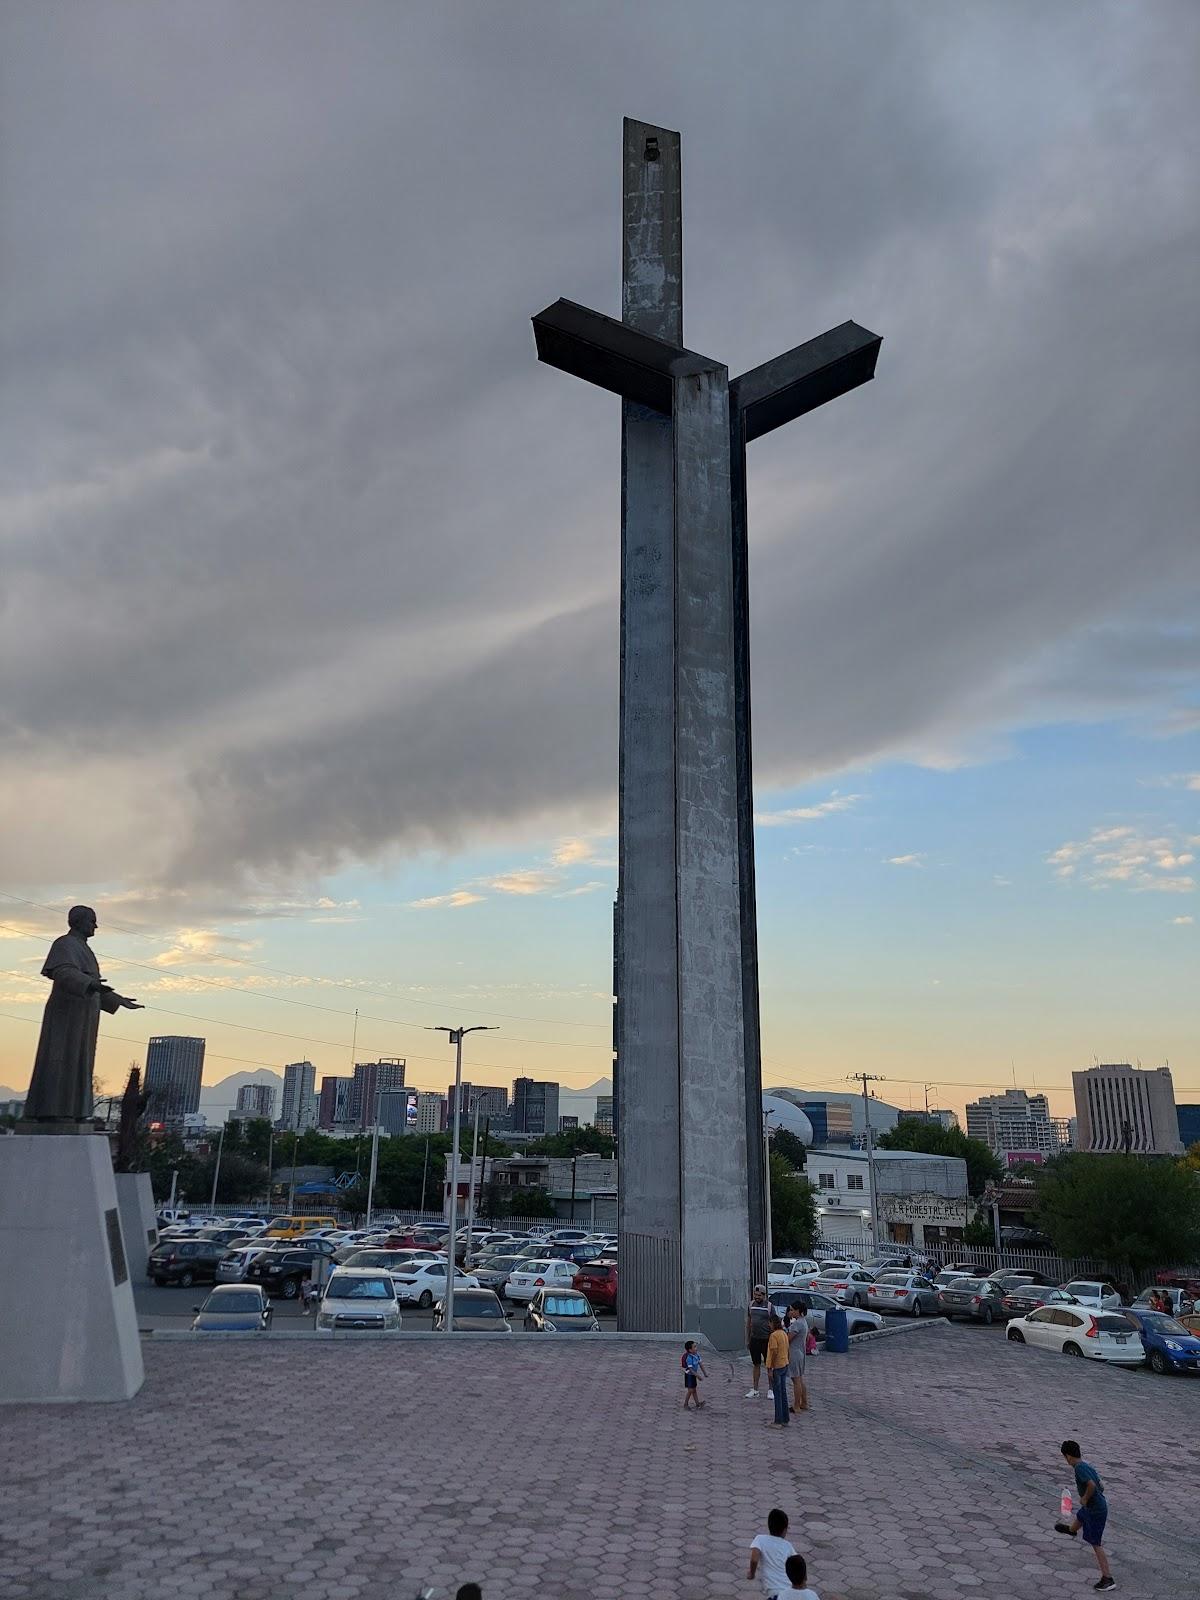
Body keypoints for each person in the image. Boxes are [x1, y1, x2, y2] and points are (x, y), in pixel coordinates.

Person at [1055, 1439, 1114, 1591]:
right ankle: (1072, 1530)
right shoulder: (1087, 1465)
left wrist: (1085, 1498)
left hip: (1096, 1510)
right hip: (1096, 1506)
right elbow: (1100, 1485)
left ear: (1068, 1456)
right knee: (1081, 1515)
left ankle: (1107, 1578)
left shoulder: (1079, 1469)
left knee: (1096, 1542)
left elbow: (1092, 1485)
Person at [748, 1508, 795, 1598]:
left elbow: (754, 1559)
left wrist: (752, 1573)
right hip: (790, 1591)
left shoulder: (760, 1539)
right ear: (784, 1530)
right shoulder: (788, 1546)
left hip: (775, 1592)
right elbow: (798, 1564)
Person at [745, 1285, 772, 1398]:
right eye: (755, 1295)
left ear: (764, 1295)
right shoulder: (751, 1305)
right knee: (756, 1364)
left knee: (769, 1365)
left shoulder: (769, 1306)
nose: (757, 1297)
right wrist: (747, 1339)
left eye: (759, 1295)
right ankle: (755, 1389)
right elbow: (749, 1322)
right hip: (754, 1339)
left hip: (766, 1340)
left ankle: (771, 1390)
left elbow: (773, 1323)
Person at [765, 1313, 790, 1426]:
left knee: (778, 1394)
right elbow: (788, 1349)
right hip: (784, 1364)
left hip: (777, 1366)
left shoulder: (774, 1336)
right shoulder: (784, 1333)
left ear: (773, 1323)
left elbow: (774, 1352)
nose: (768, 1325)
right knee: (783, 1392)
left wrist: (770, 1368)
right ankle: (785, 1419)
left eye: (769, 1323)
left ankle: (778, 1420)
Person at [784, 1303, 809, 1414]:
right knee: (799, 1379)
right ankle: (804, 1402)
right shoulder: (803, 1321)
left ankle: (796, 1405)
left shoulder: (797, 1324)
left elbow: (787, 1339)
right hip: (800, 1352)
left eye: (793, 1310)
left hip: (794, 1353)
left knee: (796, 1380)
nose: (791, 1312)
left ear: (798, 1311)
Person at [681, 1338, 706, 1409]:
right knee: (690, 1390)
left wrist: (705, 1373)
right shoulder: (689, 1358)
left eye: (696, 1346)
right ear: (690, 1350)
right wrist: (697, 1376)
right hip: (689, 1375)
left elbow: (700, 1364)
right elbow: (691, 1369)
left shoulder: (697, 1355)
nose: (696, 1348)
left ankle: (698, 1404)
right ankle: (685, 1404)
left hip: (693, 1375)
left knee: (694, 1390)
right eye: (694, 1347)